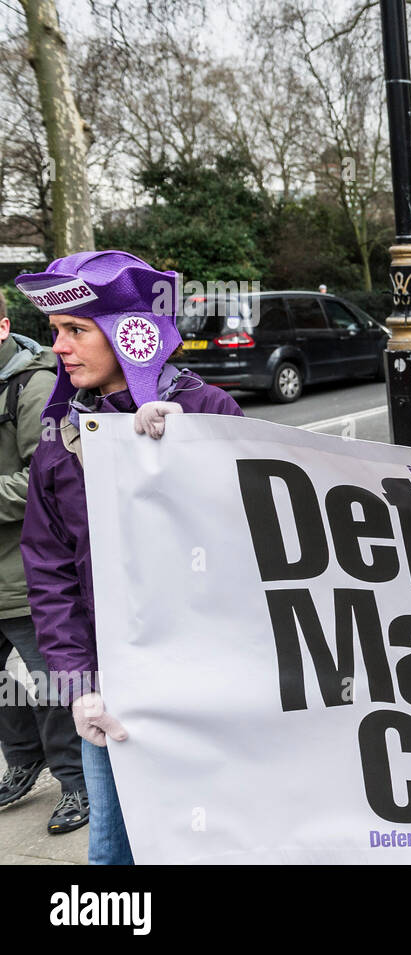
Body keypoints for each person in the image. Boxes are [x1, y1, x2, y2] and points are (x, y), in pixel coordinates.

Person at [16, 250, 245, 864]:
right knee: (113, 849)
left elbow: (254, 540)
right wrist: (77, 684)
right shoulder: (60, 439)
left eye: (76, 329)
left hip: (211, 676)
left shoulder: (208, 411)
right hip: (113, 689)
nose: (59, 347)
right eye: (55, 331)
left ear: (130, 334)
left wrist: (188, 452)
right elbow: (49, 572)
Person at [0, 300, 88, 835]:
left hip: (23, 575)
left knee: (56, 685)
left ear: (4, 326)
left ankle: (77, 783)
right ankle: (24, 758)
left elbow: (42, 478)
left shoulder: (33, 387)